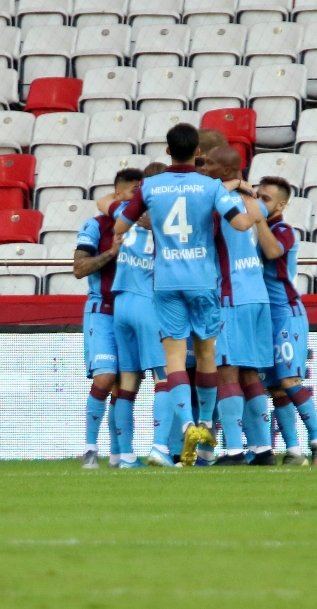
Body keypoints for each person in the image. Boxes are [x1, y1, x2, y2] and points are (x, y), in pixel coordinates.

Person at [114, 124, 256, 468]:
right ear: (199, 154)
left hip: (165, 282)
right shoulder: (210, 186)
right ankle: (205, 427)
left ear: (167, 151)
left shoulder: (150, 186)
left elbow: (120, 226)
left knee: (174, 358)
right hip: (203, 281)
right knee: (207, 353)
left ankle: (188, 425)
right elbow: (240, 224)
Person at [200, 146, 276, 467]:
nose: (203, 169)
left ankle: (232, 451)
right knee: (249, 372)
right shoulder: (253, 202)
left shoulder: (217, 203)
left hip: (231, 297)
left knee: (225, 370)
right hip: (257, 295)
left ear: (224, 170)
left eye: (209, 165)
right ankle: (262, 449)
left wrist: (228, 187)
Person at [255, 176, 317, 467]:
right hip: (263, 316)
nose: (260, 203)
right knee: (274, 387)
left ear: (282, 204)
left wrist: (256, 217)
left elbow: (274, 252)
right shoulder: (254, 231)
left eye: (266, 199)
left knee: (289, 379)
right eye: (258, 197)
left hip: (285, 311)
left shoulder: (283, 230)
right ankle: (294, 451)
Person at [99, 163, 167, 469]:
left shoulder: (125, 211)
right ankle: (159, 448)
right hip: (147, 301)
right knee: (163, 376)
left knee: (127, 380)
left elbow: (102, 202)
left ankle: (125, 455)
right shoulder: (167, 217)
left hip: (121, 302)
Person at [75, 170, 140, 470]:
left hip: (132, 313)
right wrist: (113, 252)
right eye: (133, 192)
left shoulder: (146, 228)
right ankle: (90, 448)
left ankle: (119, 454)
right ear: (117, 197)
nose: (139, 198)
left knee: (125, 385)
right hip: (102, 311)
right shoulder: (96, 226)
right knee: (105, 378)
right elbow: (79, 268)